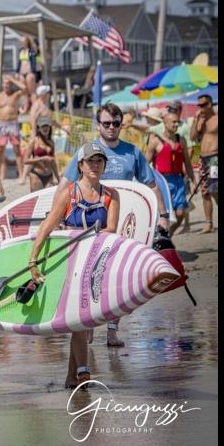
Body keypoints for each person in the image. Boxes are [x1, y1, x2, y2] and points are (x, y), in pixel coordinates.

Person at [63, 103, 174, 347]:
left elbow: (151, 184)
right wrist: (57, 215)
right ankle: (88, 324)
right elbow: (66, 184)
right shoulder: (86, 151)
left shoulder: (132, 152)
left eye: (116, 123)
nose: (111, 128)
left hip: (123, 223)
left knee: (117, 278)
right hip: (89, 223)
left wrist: (163, 214)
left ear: (121, 124)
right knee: (87, 275)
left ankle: (112, 330)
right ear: (98, 125)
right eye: (106, 123)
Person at [31, 140, 121, 389]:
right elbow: (46, 228)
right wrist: (32, 260)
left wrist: (76, 229)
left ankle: (72, 378)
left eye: (99, 161)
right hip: (71, 264)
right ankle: (83, 372)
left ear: (104, 165)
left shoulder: (112, 195)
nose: (95, 165)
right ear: (80, 165)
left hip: (96, 263)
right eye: (90, 161)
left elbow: (112, 229)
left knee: (83, 320)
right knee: (81, 318)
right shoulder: (68, 194)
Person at [145, 102, 194, 234]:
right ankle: (160, 236)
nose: (176, 125)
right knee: (162, 215)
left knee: (181, 213)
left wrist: (194, 180)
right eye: (173, 122)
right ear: (165, 123)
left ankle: (169, 234)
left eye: (177, 122)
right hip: (161, 181)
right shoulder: (155, 141)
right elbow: (144, 164)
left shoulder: (181, 140)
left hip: (178, 180)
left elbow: (188, 163)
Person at [189, 93, 217, 231]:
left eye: (203, 105)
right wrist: (196, 120)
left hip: (215, 158)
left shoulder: (217, 119)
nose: (200, 108)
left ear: (210, 105)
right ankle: (208, 223)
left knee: (215, 189)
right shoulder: (199, 120)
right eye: (198, 105)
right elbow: (193, 138)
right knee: (205, 192)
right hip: (202, 159)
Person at [26, 117, 59, 191]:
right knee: (37, 200)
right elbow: (25, 161)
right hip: (36, 175)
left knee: (48, 200)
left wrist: (58, 177)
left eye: (47, 126)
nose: (45, 128)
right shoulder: (33, 142)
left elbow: (53, 161)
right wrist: (42, 158)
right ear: (38, 128)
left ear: (50, 127)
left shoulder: (51, 142)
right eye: (43, 126)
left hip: (49, 175)